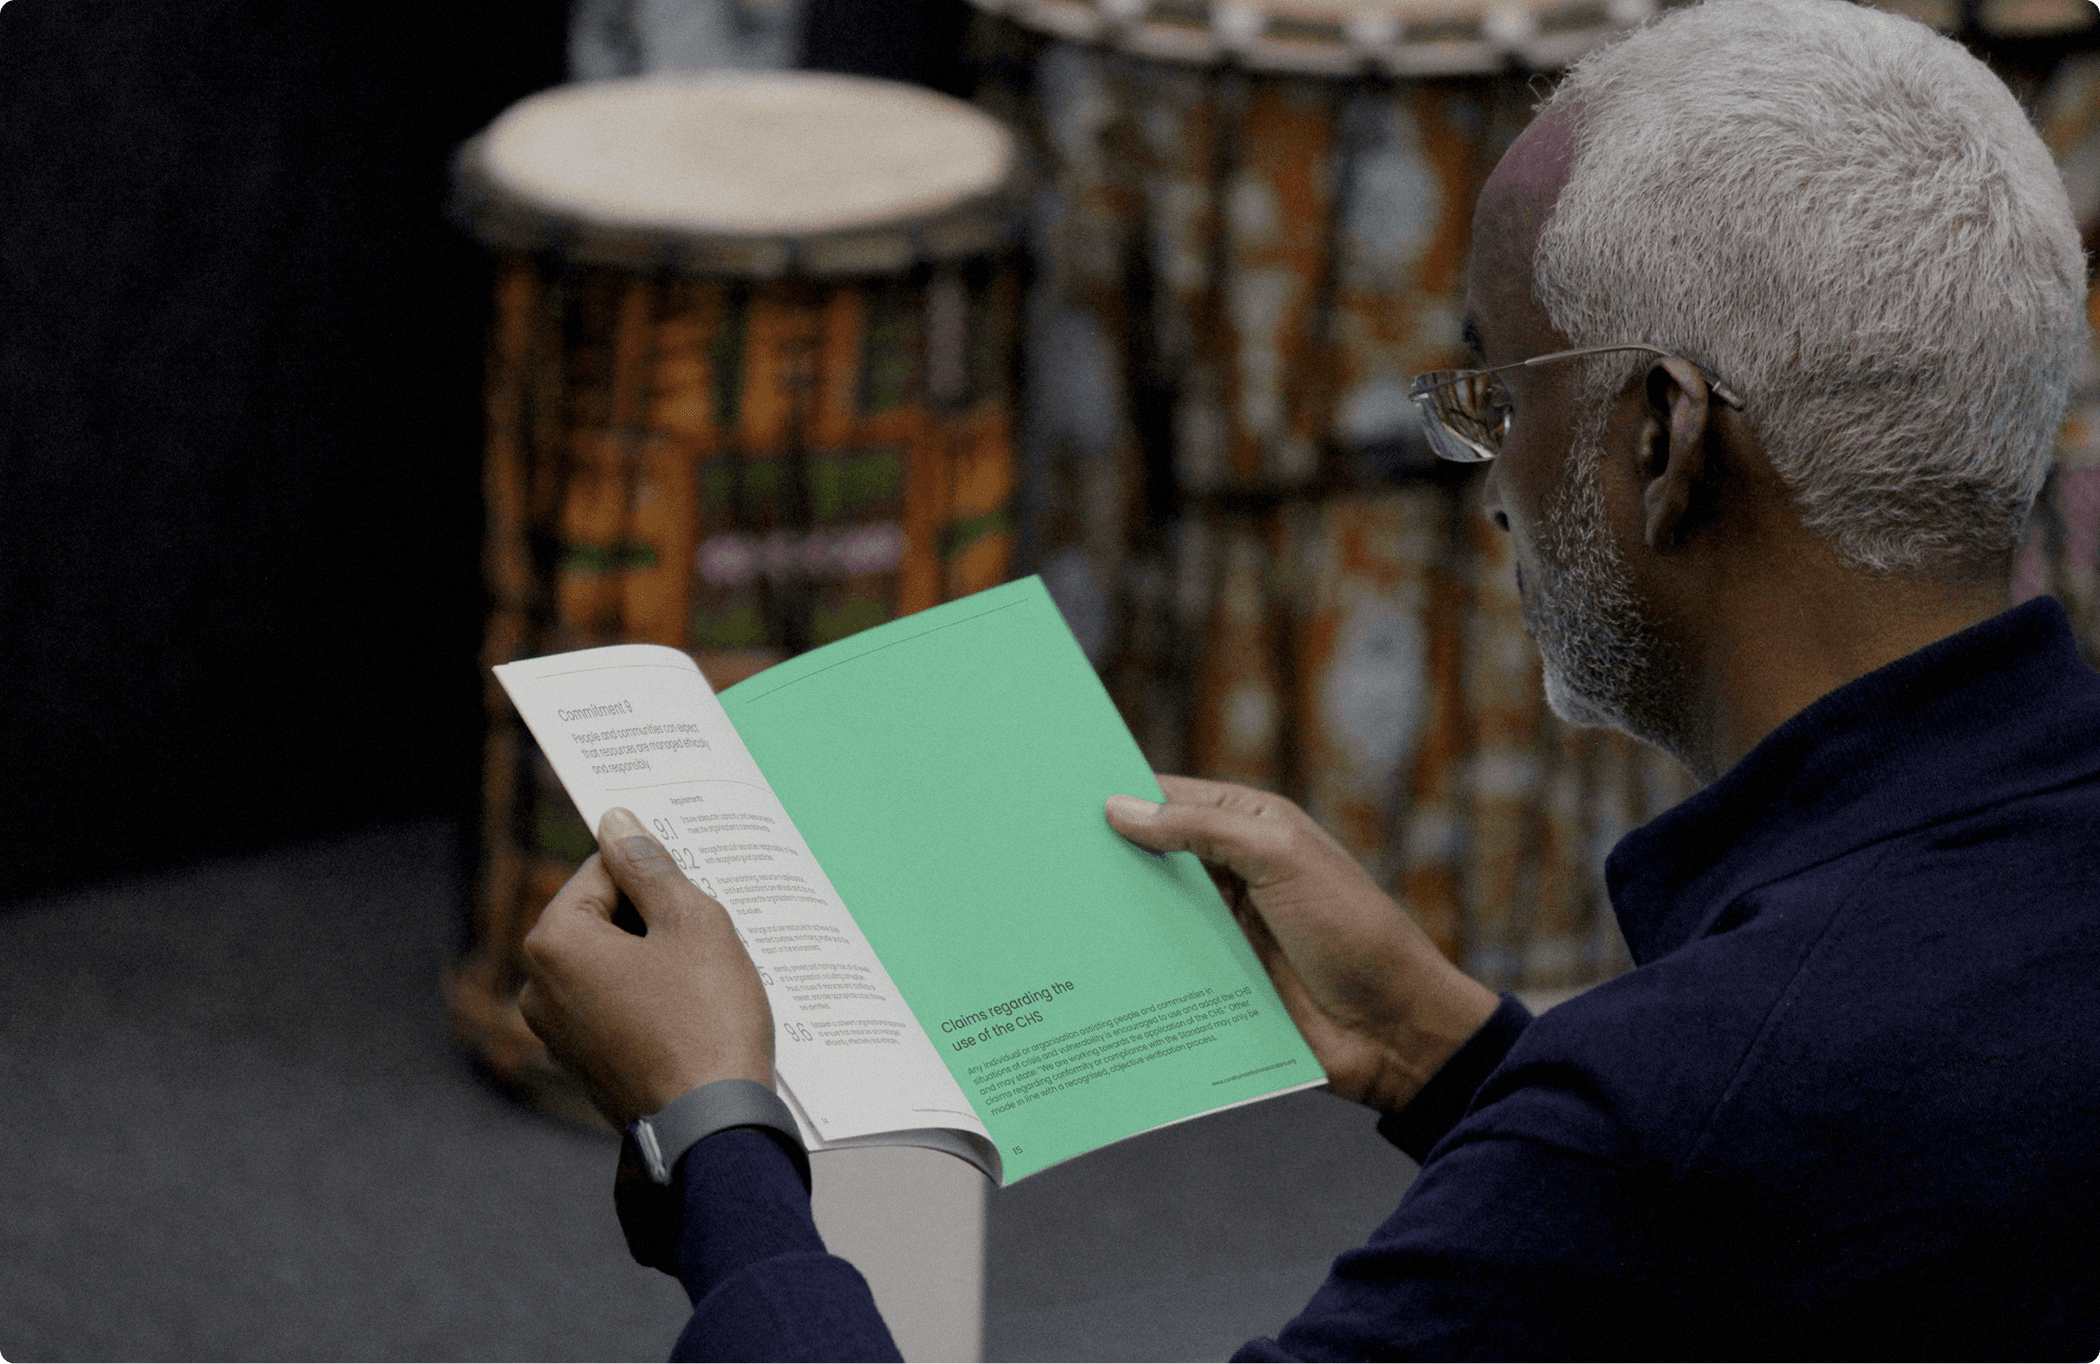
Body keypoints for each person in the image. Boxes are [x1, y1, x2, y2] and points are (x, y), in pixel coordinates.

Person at [515, 0, 2100, 1357]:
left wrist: (714, 1132)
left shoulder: (1685, 1105)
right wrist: (1452, 1056)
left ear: (1659, 440)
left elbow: (1712, 1161)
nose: (1489, 477)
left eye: (1501, 386)